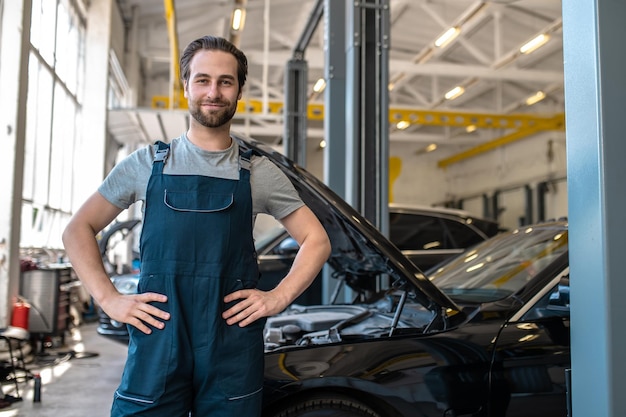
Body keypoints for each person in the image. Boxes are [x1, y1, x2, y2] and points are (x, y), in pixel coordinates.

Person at [62, 35, 331, 417]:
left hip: (230, 343)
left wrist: (277, 297)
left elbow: (316, 240)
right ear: (186, 85)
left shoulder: (258, 172)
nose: (214, 91)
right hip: (159, 338)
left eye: (226, 81)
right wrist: (109, 300)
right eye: (203, 80)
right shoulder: (147, 164)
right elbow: (78, 229)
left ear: (239, 91)